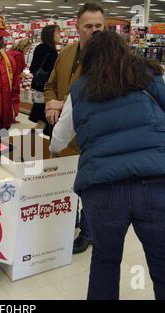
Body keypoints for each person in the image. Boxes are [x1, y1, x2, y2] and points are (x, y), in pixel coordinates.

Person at [50, 30, 165, 300]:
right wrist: (163, 147)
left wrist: (52, 152)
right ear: (125, 50)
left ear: (88, 59)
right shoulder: (154, 75)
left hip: (104, 189)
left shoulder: (81, 89)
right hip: (161, 186)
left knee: (104, 264)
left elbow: (59, 139)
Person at [44, 3, 106, 254]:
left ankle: (89, 233)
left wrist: (64, 102)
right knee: (69, 181)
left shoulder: (109, 58)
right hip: (64, 132)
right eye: (88, 26)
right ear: (78, 27)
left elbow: (101, 92)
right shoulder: (66, 53)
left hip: (93, 133)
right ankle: (76, 218)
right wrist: (50, 103)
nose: (93, 31)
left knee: (90, 185)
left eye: (98, 26)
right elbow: (50, 83)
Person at [28, 25, 60, 135]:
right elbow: (54, 73)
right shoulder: (52, 52)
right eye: (57, 33)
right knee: (45, 113)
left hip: (38, 84)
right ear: (51, 35)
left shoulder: (38, 48)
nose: (60, 35)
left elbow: (32, 68)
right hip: (48, 87)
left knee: (41, 112)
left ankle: (34, 138)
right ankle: (36, 140)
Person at [7, 38, 32, 120]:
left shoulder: (10, 52)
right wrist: (24, 75)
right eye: (27, 49)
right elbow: (17, 72)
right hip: (14, 82)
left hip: (6, 80)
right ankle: (12, 117)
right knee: (13, 99)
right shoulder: (19, 55)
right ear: (23, 47)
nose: (28, 51)